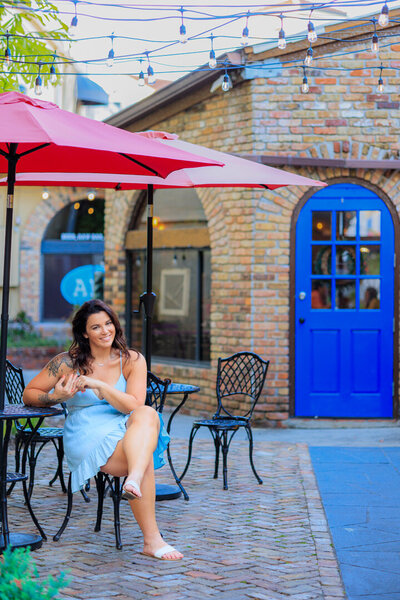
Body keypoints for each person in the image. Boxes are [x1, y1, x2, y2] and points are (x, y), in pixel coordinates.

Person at [23, 299, 183, 561]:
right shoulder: (67, 362)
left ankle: (132, 482)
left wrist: (102, 386)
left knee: (147, 413)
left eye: (108, 323)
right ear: (85, 332)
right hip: (86, 433)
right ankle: (152, 539)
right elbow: (29, 393)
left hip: (122, 426)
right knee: (142, 457)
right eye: (96, 327)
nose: (105, 330)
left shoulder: (132, 359)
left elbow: (131, 406)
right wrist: (58, 397)